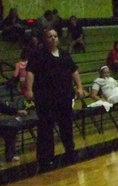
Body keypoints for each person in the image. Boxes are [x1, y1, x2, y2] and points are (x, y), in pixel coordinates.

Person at [24, 28, 85, 168]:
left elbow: (74, 71)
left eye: (55, 36)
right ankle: (46, 158)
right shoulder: (38, 54)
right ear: (44, 39)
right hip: (45, 97)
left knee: (66, 125)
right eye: (50, 36)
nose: (53, 38)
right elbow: (30, 72)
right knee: (46, 127)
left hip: (64, 96)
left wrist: (79, 87)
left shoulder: (64, 54)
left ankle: (70, 151)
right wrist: (29, 89)